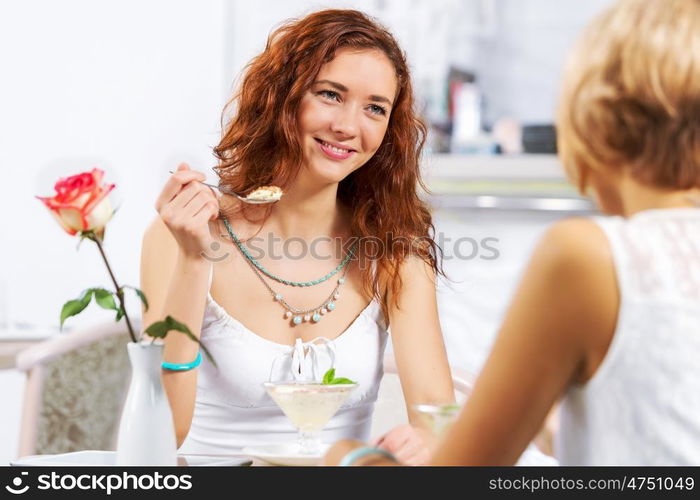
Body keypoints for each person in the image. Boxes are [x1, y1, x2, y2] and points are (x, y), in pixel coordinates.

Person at [326, 0, 700, 466]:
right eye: (330, 95)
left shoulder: (588, 255)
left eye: (376, 108)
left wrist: (344, 456)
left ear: (594, 117)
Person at [140, 9, 455, 464]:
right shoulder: (180, 234)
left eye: (374, 108)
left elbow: (437, 422)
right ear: (281, 99)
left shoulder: (394, 250)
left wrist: (425, 442)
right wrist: (194, 261)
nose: (349, 126)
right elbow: (161, 432)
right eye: (330, 94)